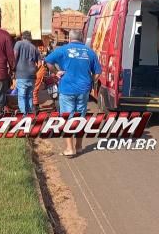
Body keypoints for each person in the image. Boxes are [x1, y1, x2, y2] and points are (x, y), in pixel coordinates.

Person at [45, 29, 101, 157]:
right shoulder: (90, 52)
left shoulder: (63, 49)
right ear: (81, 39)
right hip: (83, 90)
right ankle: (79, 146)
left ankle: (69, 149)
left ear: (70, 39)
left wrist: (56, 72)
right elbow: (97, 72)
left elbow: (48, 61)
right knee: (80, 117)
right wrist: (91, 81)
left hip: (67, 89)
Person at [13, 31, 39, 114]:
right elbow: (40, 63)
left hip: (21, 74)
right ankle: (30, 115)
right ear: (30, 38)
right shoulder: (34, 47)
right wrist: (35, 70)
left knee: (22, 96)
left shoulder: (18, 43)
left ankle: (23, 116)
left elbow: (14, 56)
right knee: (29, 96)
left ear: (22, 37)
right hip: (32, 75)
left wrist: (13, 69)